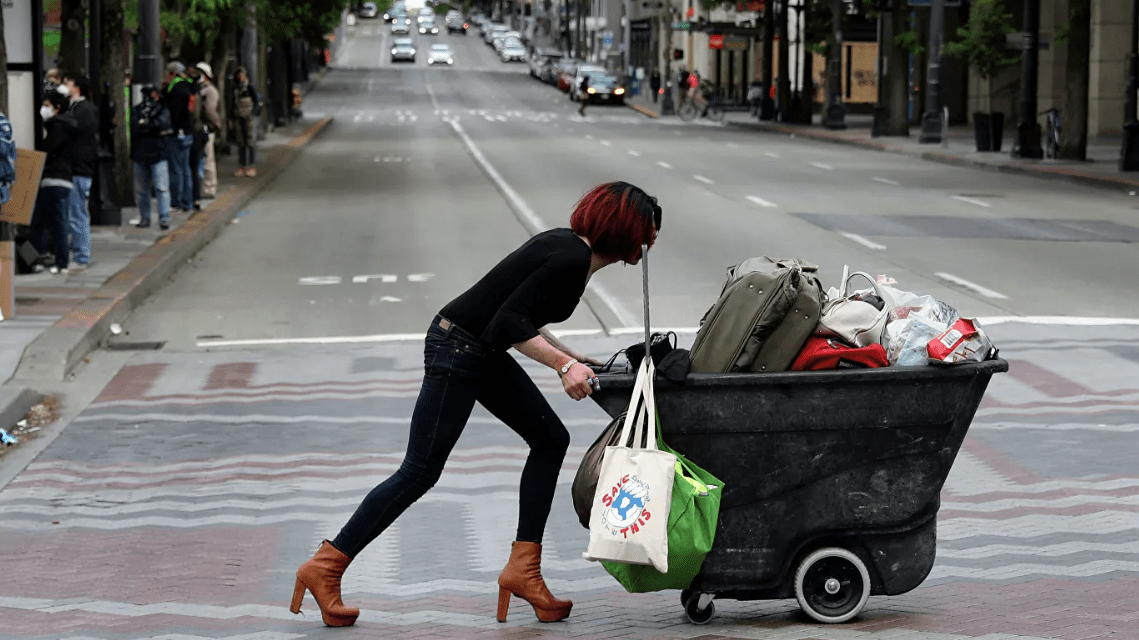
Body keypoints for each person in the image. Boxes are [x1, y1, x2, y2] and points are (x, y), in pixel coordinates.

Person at [290, 181, 663, 628]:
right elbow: (508, 322)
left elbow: (514, 313)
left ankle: (523, 571)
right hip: (459, 349)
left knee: (549, 438)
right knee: (420, 470)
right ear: (627, 230)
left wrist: (571, 355)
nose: (651, 242)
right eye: (649, 231)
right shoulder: (570, 258)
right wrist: (563, 367)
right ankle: (325, 566)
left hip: (477, 348)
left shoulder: (568, 250)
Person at [31, 91, 79, 274]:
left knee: (42, 221)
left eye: (47, 104)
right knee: (58, 221)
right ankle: (60, 261)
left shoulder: (57, 127)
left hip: (52, 178)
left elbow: (47, 149)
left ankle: (50, 260)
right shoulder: (69, 126)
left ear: (57, 108)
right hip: (64, 178)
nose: (44, 109)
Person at [64, 75, 98, 272]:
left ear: (76, 88)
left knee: (77, 213)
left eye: (68, 83)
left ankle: (81, 256)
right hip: (79, 167)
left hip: (78, 168)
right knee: (76, 213)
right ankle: (79, 253)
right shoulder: (80, 109)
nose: (65, 86)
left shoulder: (82, 110)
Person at [131, 85, 173, 230]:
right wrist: (149, 127)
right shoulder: (137, 110)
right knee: (142, 190)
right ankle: (145, 218)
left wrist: (146, 125)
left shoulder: (161, 110)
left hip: (157, 153)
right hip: (141, 153)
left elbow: (163, 125)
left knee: (161, 188)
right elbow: (135, 127)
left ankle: (164, 217)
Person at [162, 62, 195, 212]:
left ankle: (176, 201)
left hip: (176, 133)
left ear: (172, 74)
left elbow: (173, 115)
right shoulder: (190, 87)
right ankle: (188, 201)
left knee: (175, 169)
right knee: (186, 168)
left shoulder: (174, 90)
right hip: (189, 132)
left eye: (167, 74)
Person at [195, 62, 221, 200]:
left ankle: (210, 188)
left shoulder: (210, 90)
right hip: (201, 128)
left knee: (208, 159)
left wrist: (216, 124)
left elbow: (211, 111)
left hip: (207, 128)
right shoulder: (200, 89)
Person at [231, 66, 260, 177]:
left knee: (250, 141)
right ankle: (242, 166)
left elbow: (257, 101)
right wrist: (232, 118)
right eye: (239, 75)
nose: (241, 77)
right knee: (241, 142)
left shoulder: (249, 87)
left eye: (242, 74)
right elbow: (232, 104)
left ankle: (252, 166)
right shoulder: (235, 89)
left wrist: (253, 113)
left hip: (248, 117)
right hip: (239, 117)